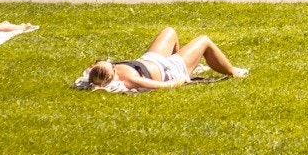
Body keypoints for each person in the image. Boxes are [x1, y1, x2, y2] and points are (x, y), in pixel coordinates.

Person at [83, 27, 247, 90]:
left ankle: (188, 61)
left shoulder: (98, 72)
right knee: (204, 41)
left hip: (150, 59)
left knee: (170, 31)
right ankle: (233, 72)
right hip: (170, 68)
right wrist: (183, 79)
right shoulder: (130, 79)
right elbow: (164, 86)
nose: (114, 64)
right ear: (113, 74)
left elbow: (93, 71)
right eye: (112, 65)